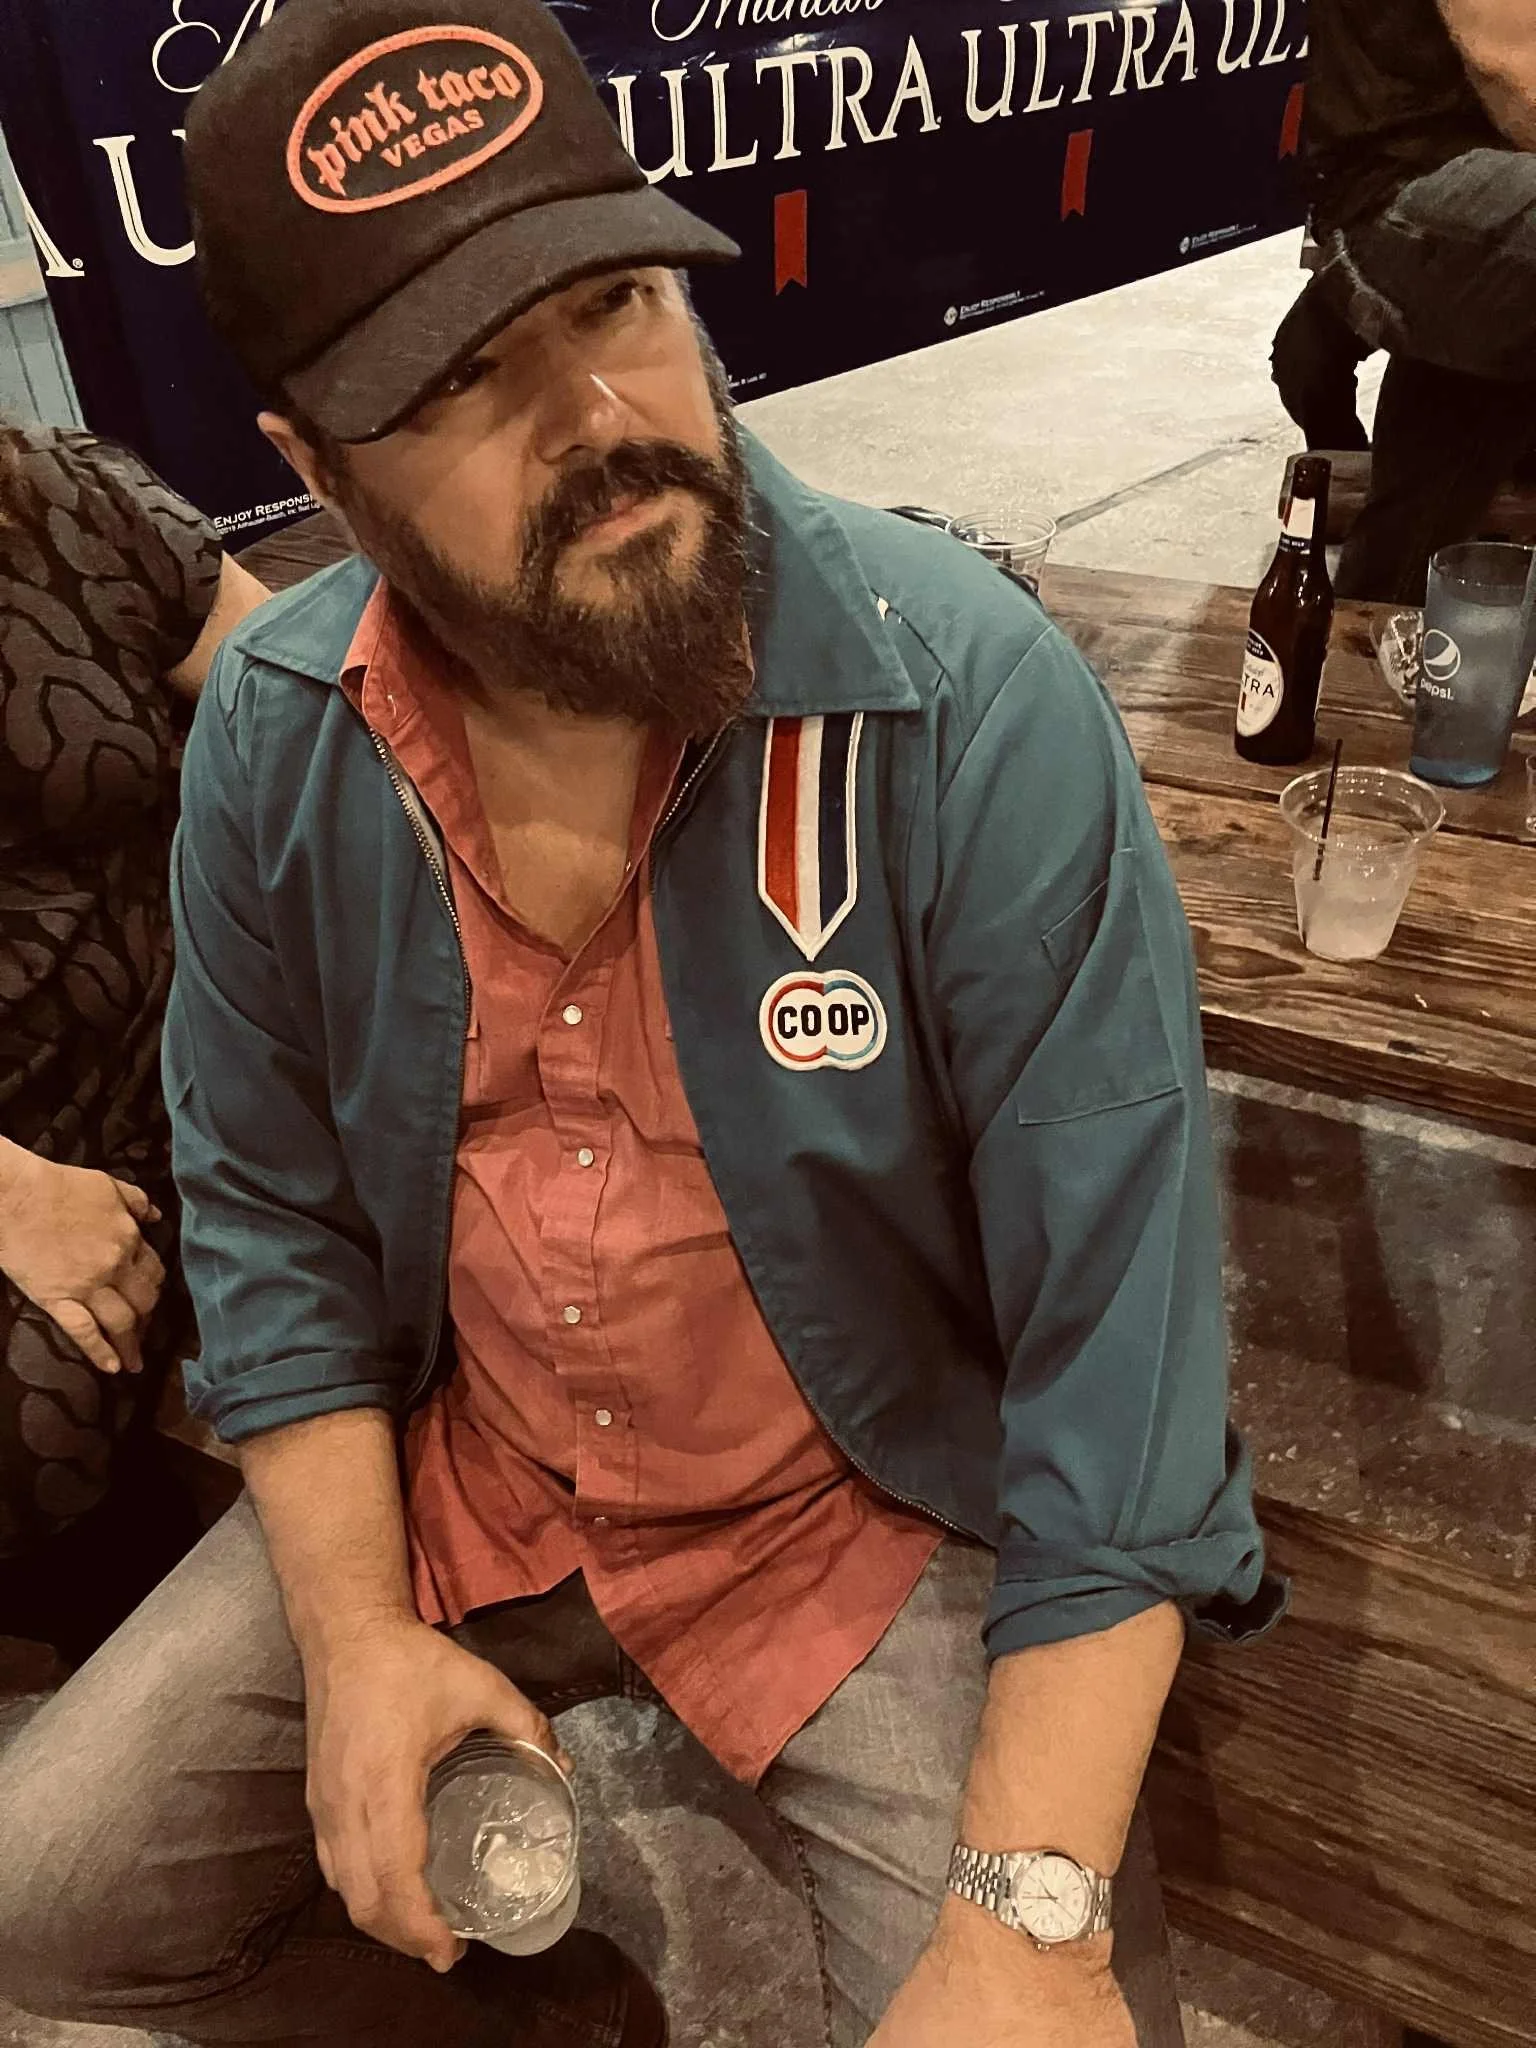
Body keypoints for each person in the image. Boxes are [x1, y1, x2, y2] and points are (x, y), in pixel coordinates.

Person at [0, 2, 1281, 2044]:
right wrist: (349, 1647)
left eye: (611, 300)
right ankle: (551, 2008)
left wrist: (1033, 1921)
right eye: (459, 377)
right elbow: (269, 1223)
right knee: (40, 1904)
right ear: (315, 470)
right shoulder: (275, 733)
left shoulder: (965, 703)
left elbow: (1122, 1359)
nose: (596, 412)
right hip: (470, 1476)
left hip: (853, 1526)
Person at [0, 421, 267, 1664]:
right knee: (37, 1413)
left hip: (199, 1057)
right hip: (24, 1161)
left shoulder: (46, 488)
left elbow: (306, 685)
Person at [1271, 0, 1536, 602]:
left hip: (1463, 203)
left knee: (1419, 534)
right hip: (1408, 195)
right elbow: (1514, 71)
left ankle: (1362, 649)